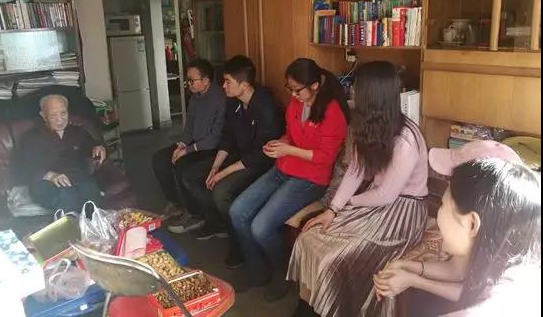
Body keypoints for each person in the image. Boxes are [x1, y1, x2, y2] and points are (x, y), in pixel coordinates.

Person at [288, 61, 429, 317]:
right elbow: (355, 170)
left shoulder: (406, 139)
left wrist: (348, 204)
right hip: (374, 201)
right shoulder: (365, 125)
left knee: (334, 256)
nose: (352, 92)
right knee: (309, 238)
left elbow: (386, 195)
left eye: (357, 88)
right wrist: (332, 209)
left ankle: (330, 309)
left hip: (402, 211)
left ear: (371, 95)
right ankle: (309, 306)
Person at [374, 140, 540, 317]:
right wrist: (409, 270)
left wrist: (413, 279)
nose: (438, 216)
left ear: (472, 223)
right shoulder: (507, 244)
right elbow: (461, 275)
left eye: (443, 204)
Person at [229, 58, 349, 300]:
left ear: (315, 85)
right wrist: (280, 143)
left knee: (261, 227)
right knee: (237, 210)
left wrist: (289, 150)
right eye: (290, 88)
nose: (293, 95)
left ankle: (282, 272)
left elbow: (326, 157)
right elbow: (290, 134)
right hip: (283, 169)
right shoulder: (296, 103)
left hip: (310, 179)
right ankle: (257, 268)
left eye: (297, 90)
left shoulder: (332, 111)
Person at [181, 55, 284, 267]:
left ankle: (239, 244)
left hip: (261, 163)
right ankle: (222, 224)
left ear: (244, 85)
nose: (223, 86)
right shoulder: (233, 102)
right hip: (239, 156)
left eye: (228, 81)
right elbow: (227, 137)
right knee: (192, 175)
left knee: (221, 191)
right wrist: (216, 166)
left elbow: (260, 154)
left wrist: (223, 173)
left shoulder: (265, 107)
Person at [152, 59, 226, 232]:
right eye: (188, 80)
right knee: (160, 159)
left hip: (210, 148)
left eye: (192, 80)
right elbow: (189, 128)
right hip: (193, 144)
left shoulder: (220, 99)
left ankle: (194, 214)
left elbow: (215, 138)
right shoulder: (194, 97)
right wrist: (181, 145)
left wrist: (188, 150)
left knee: (182, 164)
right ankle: (177, 204)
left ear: (206, 80)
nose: (189, 84)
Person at [15, 94, 105, 213]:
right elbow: (25, 166)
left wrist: (98, 147)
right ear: (43, 115)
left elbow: (91, 146)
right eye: (53, 115)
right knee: (67, 195)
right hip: (46, 183)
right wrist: (50, 176)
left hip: (76, 178)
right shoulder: (31, 137)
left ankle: (93, 224)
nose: (60, 119)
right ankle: (68, 224)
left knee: (91, 191)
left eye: (63, 113)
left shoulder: (77, 131)